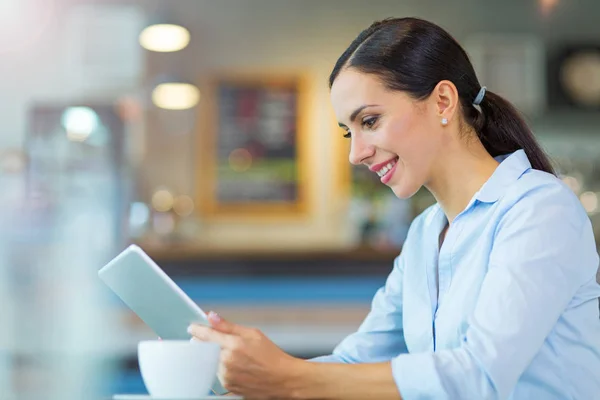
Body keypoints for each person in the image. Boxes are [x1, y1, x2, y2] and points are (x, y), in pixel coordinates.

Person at [189, 17, 600, 399]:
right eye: (347, 131)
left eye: (368, 121)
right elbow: (355, 362)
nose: (356, 154)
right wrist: (251, 375)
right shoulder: (425, 233)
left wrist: (288, 376)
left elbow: (480, 376)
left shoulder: (539, 210)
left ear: (442, 101)